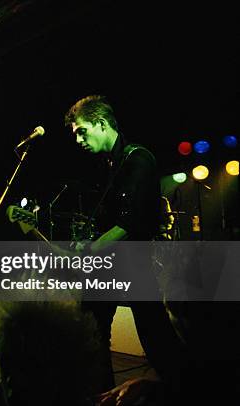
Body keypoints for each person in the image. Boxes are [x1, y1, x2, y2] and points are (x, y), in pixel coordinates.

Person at [60, 95, 188, 397]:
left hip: (133, 262)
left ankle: (187, 390)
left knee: (155, 336)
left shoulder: (138, 158)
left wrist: (90, 251)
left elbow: (129, 224)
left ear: (102, 123)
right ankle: (103, 395)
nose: (78, 140)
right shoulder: (110, 166)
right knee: (94, 331)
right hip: (112, 264)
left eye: (81, 131)